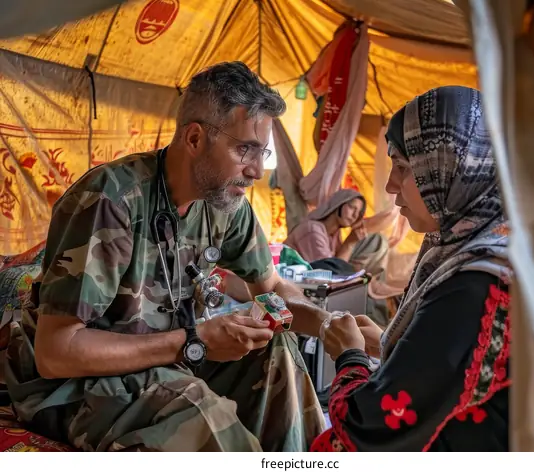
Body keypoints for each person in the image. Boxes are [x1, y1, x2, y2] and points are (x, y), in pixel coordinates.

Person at [4, 62, 330, 452]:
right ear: (194, 139)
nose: (257, 170)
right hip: (73, 382)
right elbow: (56, 354)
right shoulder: (110, 201)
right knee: (201, 413)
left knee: (277, 351)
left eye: (263, 153)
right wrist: (196, 341)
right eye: (246, 149)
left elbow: (271, 287)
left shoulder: (226, 206)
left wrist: (333, 328)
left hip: (165, 358)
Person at [310, 86, 512, 452]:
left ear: (451, 169)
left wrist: (350, 355)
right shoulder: (490, 245)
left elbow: (369, 424)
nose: (390, 185)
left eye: (403, 167)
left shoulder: (476, 282)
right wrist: (394, 344)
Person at [283, 189, 388, 276]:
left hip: (316, 283)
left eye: (359, 212)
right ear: (338, 204)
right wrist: (349, 243)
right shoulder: (312, 230)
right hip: (293, 285)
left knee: (377, 240)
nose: (355, 215)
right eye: (352, 207)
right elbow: (330, 273)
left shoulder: (334, 236)